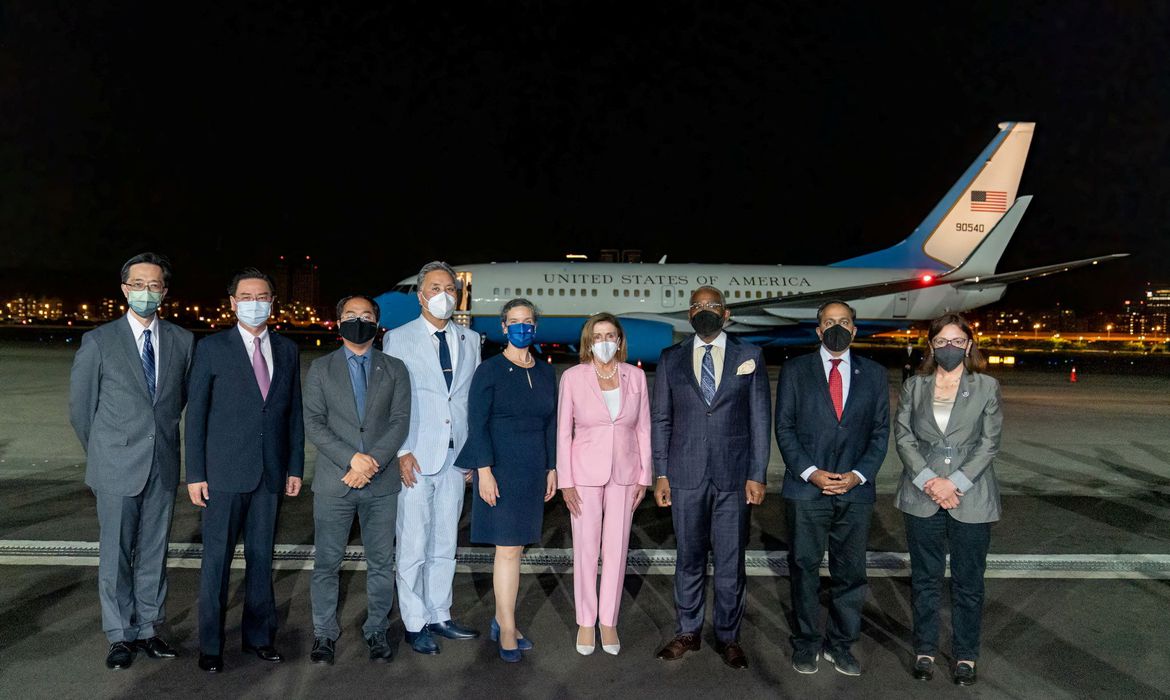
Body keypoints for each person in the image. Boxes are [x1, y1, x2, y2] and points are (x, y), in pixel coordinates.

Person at [69, 252, 194, 670]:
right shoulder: (99, 341)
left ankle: (149, 629)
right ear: (124, 289)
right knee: (116, 554)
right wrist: (104, 454)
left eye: (154, 285)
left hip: (162, 464)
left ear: (164, 292)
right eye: (138, 285)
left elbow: (178, 401)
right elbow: (81, 409)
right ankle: (120, 634)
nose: (146, 292)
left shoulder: (182, 340)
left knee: (155, 552)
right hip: (115, 465)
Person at [185, 268, 304, 673]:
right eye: (247, 297)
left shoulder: (287, 349)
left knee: (261, 559)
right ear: (233, 303)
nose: (255, 303)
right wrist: (195, 473)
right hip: (222, 475)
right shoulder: (211, 347)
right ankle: (211, 645)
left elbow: (293, 414)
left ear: (273, 302)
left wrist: (294, 466)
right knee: (216, 562)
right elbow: (196, 416)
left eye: (263, 296)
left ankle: (259, 637)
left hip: (269, 475)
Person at [651, 286, 770, 671]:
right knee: (688, 557)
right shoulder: (670, 358)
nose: (705, 311)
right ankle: (687, 631)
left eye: (712, 305)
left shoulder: (749, 355)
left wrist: (757, 473)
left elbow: (759, 419)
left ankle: (728, 636)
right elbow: (661, 419)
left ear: (726, 313)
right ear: (689, 314)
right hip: (684, 475)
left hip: (734, 477)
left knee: (731, 561)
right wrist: (661, 473)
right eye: (698, 306)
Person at [775, 299, 889, 677]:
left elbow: (880, 432)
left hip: (855, 490)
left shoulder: (874, 374)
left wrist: (858, 474)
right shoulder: (795, 370)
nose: (836, 327)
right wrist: (811, 473)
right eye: (829, 322)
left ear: (854, 329)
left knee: (851, 573)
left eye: (843, 321)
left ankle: (840, 645)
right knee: (804, 570)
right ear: (818, 330)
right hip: (806, 490)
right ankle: (806, 643)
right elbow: (785, 428)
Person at [894, 313, 1002, 687]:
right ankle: (924, 649)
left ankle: (965, 654)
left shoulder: (986, 386)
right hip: (921, 494)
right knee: (925, 579)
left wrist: (953, 483)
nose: (949, 347)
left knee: (968, 582)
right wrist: (929, 482)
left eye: (957, 341)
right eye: (942, 342)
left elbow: (989, 443)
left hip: (970, 496)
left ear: (969, 345)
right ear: (931, 346)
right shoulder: (915, 386)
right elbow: (904, 437)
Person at [303, 295, 411, 665]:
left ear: (376, 324)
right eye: (351, 314)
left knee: (381, 561)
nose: (359, 320)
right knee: (327, 563)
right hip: (336, 481)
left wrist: (371, 463)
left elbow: (399, 421)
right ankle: (324, 633)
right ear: (339, 322)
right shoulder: (321, 368)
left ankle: (377, 628)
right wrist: (352, 459)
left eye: (366, 315)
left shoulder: (395, 368)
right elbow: (314, 422)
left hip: (381, 483)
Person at [382, 261, 482, 655]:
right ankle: (414, 621)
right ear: (422, 295)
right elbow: (392, 400)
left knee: (445, 541)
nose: (444, 295)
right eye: (435, 288)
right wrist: (401, 451)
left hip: (457, 457)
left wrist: (473, 452)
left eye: (450, 289)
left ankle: (440, 613)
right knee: (412, 543)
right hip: (416, 456)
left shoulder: (471, 339)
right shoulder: (398, 338)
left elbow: (468, 400)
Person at [456, 298, 557, 663]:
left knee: (518, 547)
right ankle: (508, 627)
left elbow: (551, 423)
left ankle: (502, 620)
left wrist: (552, 467)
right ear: (503, 327)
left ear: (535, 326)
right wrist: (484, 470)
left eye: (527, 321)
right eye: (514, 321)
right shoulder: (490, 370)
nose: (521, 327)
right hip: (501, 468)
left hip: (532, 468)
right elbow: (477, 423)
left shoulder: (546, 372)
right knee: (508, 549)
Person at [556, 313, 652, 656]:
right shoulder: (573, 377)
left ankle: (608, 620)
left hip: (626, 473)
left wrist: (645, 475)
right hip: (583, 474)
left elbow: (643, 428)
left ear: (620, 340)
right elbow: (563, 431)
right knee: (586, 549)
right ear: (588, 342)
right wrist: (566, 481)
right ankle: (586, 620)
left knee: (617, 548)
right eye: (598, 337)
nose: (605, 342)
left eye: (610, 335)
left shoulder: (636, 376)